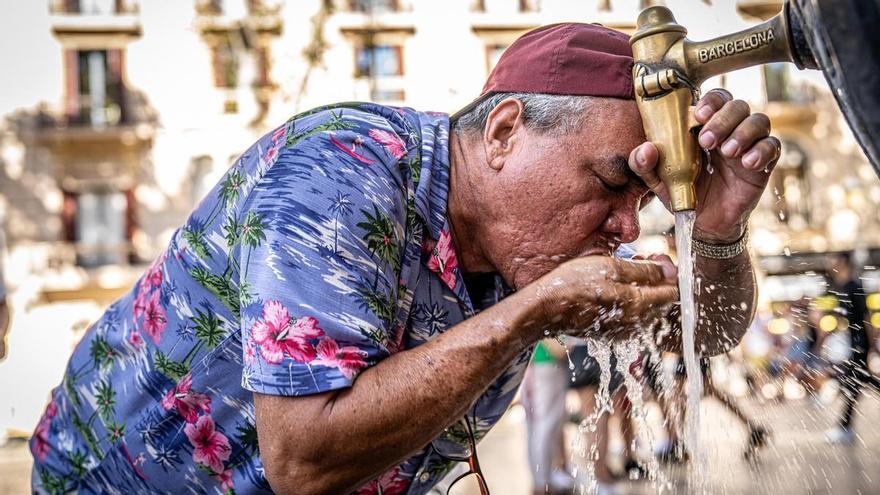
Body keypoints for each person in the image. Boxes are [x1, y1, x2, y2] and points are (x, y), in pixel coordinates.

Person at [31, 22, 779, 494]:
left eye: (644, 200)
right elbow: (301, 459)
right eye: (614, 181)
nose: (624, 223)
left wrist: (718, 229)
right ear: (504, 131)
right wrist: (531, 315)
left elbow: (702, 332)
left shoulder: (530, 247)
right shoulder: (339, 171)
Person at [825, 252, 880, 444]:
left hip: (860, 342)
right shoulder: (841, 287)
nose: (831, 264)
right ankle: (845, 427)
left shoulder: (854, 287)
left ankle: (845, 427)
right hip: (853, 342)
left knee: (853, 384)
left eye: (834, 260)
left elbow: (866, 317)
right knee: (860, 382)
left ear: (843, 262)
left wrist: (872, 345)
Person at [522, 339, 575, 495]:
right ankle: (542, 484)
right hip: (546, 362)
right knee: (545, 426)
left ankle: (543, 481)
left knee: (539, 426)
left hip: (538, 364)